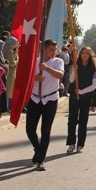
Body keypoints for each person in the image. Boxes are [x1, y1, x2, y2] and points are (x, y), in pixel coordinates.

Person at [26, 39, 64, 171]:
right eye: (51, 50)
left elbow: (60, 75)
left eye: (55, 50)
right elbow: (27, 77)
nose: (53, 52)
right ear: (44, 49)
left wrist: (47, 68)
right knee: (30, 129)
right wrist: (35, 78)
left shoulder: (58, 61)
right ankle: (38, 148)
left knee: (45, 130)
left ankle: (41, 159)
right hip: (35, 98)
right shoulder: (35, 61)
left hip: (50, 99)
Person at [66, 46, 96, 153]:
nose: (84, 55)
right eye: (83, 53)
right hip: (74, 96)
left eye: (87, 53)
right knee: (72, 120)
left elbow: (94, 85)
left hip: (86, 97)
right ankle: (71, 143)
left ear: (90, 55)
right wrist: (74, 70)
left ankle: (80, 143)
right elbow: (71, 80)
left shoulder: (93, 68)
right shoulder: (76, 65)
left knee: (83, 121)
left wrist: (81, 91)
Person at [2, 36, 19, 112]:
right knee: (8, 90)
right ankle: (7, 107)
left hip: (8, 72)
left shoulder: (5, 49)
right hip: (10, 72)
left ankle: (7, 107)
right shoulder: (9, 51)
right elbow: (12, 63)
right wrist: (17, 60)